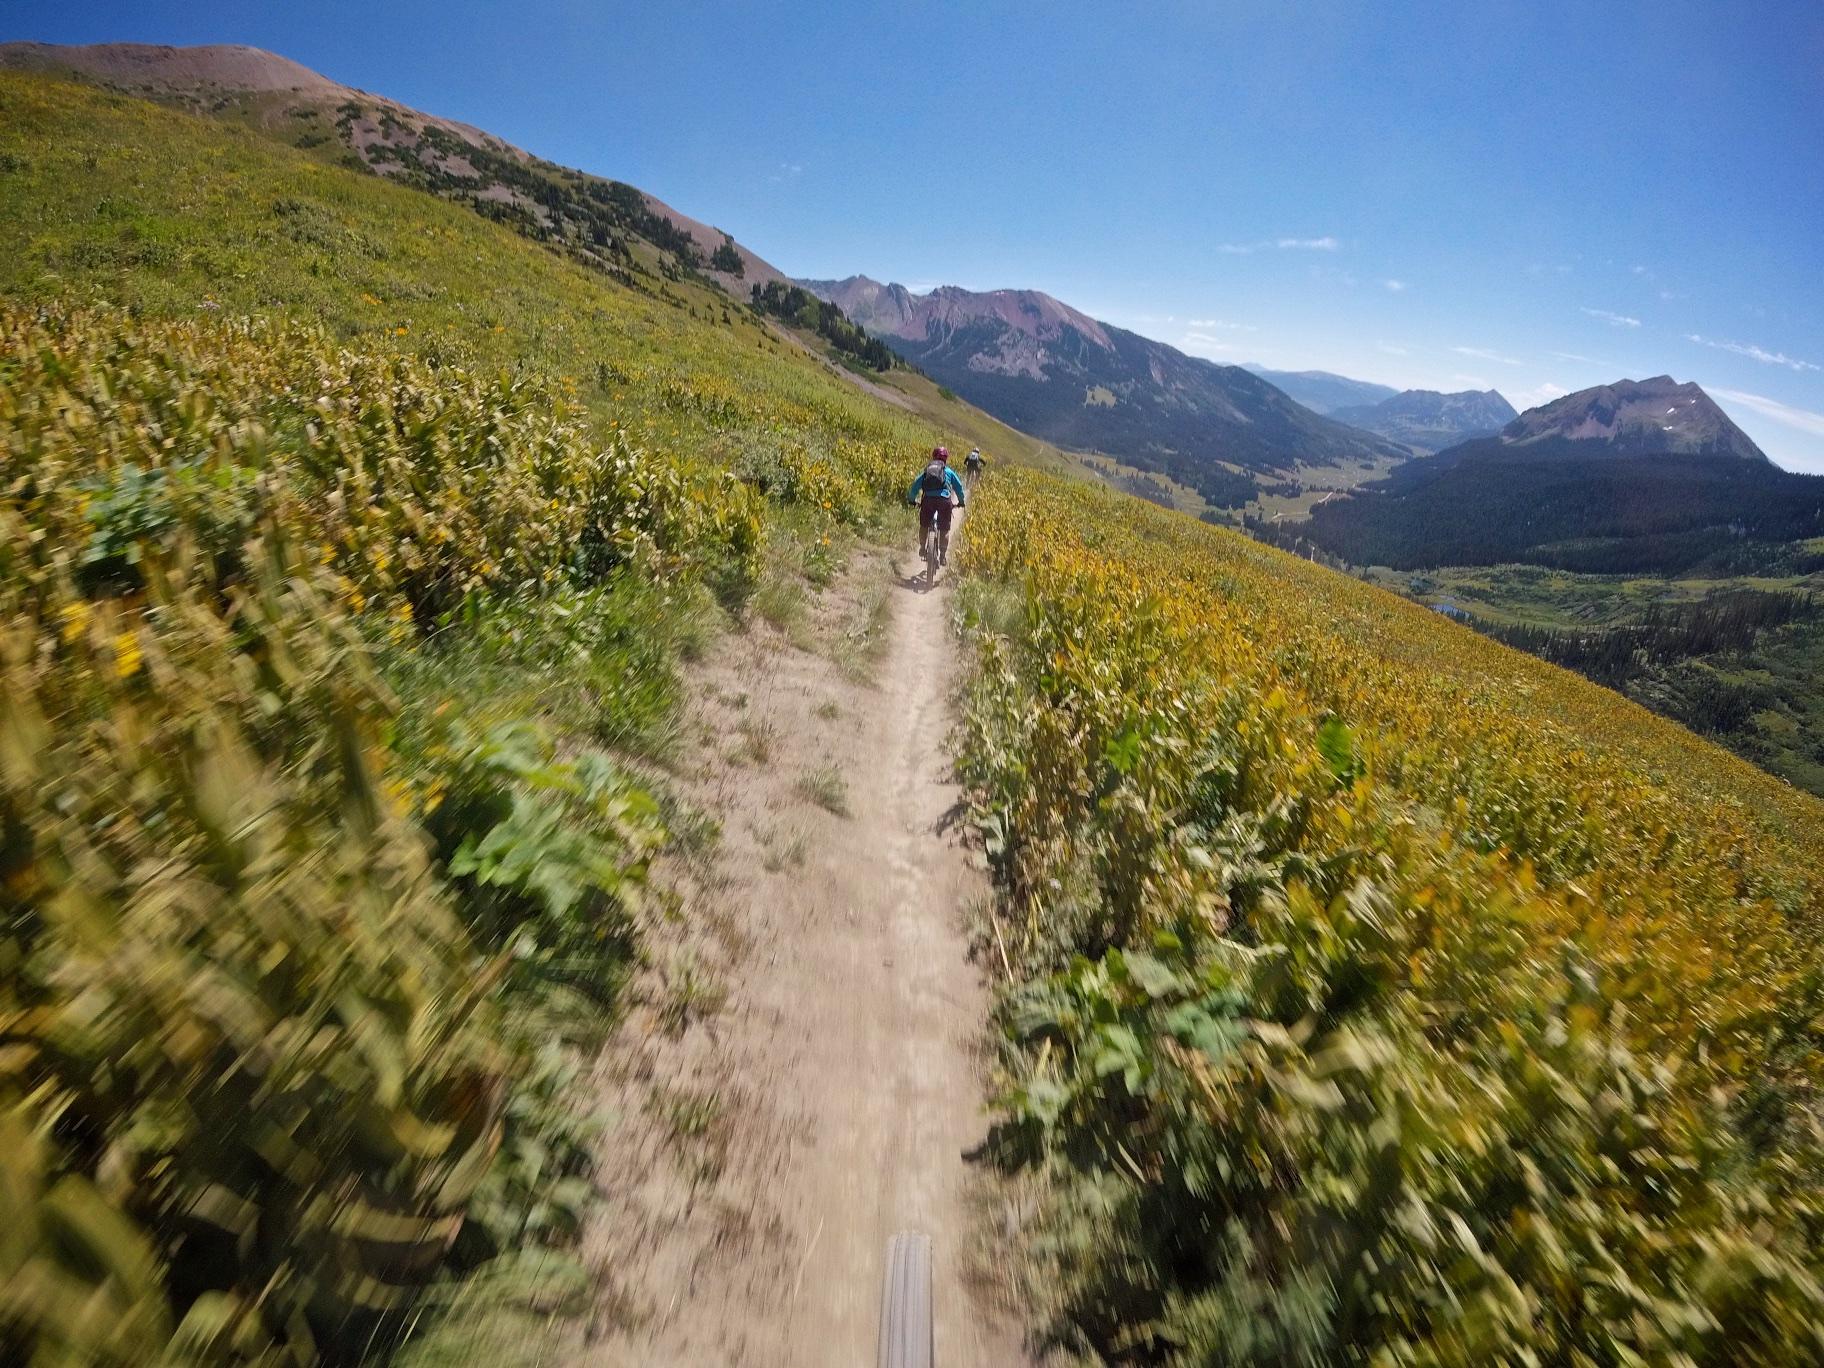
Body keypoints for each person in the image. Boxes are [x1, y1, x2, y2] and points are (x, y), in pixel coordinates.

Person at [906, 445, 966, 566]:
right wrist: (961, 501)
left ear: (933, 457)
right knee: (944, 529)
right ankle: (942, 556)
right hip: (944, 501)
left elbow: (915, 485)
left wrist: (912, 500)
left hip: (928, 500)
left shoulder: (927, 471)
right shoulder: (949, 471)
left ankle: (922, 547)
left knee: (924, 525)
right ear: (946, 459)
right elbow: (959, 487)